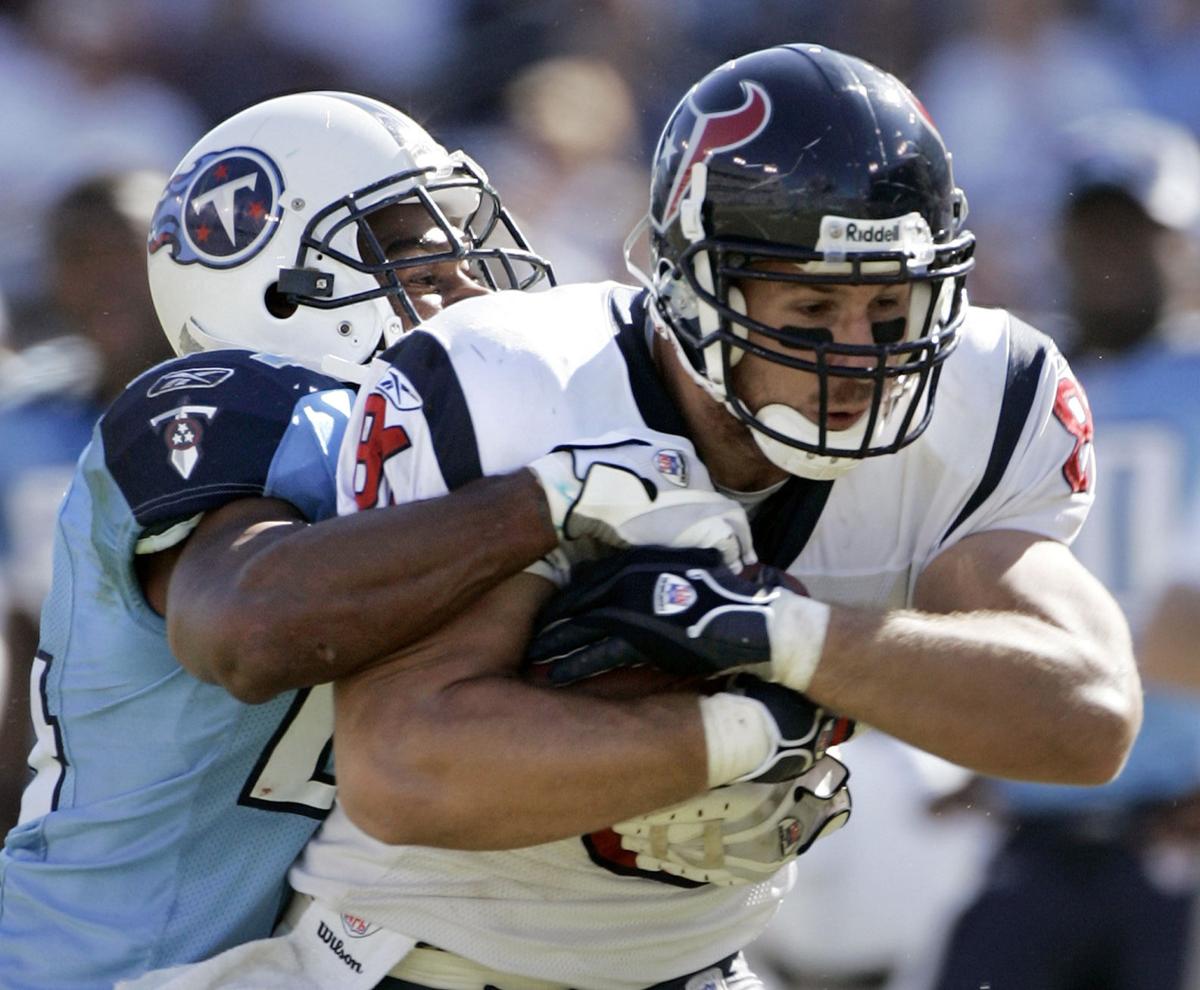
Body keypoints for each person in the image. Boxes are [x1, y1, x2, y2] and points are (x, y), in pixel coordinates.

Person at [140, 43, 1140, 990]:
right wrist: (746, 728)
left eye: (892, 315)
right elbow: (405, 769)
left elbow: (1087, 718)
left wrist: (783, 634)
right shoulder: (524, 382)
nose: (860, 360)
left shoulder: (980, 395)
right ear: (692, 286)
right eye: (808, 317)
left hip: (695, 965)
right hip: (415, 962)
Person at [0, 90, 625, 990]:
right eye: (418, 258)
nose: (471, 289)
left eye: (464, 254)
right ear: (276, 282)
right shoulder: (225, 403)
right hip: (101, 970)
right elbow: (247, 627)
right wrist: (555, 498)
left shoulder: (443, 452)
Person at [932, 110, 1200, 990]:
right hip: (1037, 825)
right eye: (1096, 233)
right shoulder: (1018, 384)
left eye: (1137, 233)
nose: (1113, 256)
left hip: (1175, 829)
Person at [0, 170, 176, 832]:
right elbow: (24, 621)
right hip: (73, 782)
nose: (105, 278)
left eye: (125, 251)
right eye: (78, 255)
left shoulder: (245, 414)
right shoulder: (21, 427)